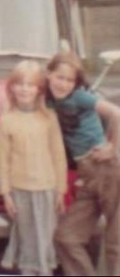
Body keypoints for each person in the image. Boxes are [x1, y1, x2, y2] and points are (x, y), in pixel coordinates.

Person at [46, 51, 120, 276]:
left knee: (115, 242)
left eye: (69, 80)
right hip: (86, 174)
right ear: (48, 74)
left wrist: (113, 148)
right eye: (59, 77)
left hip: (107, 169)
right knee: (66, 238)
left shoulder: (80, 97)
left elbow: (117, 113)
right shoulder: (47, 99)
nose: (64, 84)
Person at [0, 60, 67, 276]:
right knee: (27, 238)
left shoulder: (48, 118)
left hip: (46, 189)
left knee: (45, 238)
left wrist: (61, 190)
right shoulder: (7, 120)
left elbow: (58, 155)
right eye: (19, 84)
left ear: (39, 90)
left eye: (30, 85)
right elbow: (3, 159)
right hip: (20, 190)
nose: (25, 89)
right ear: (12, 88)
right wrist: (6, 193)